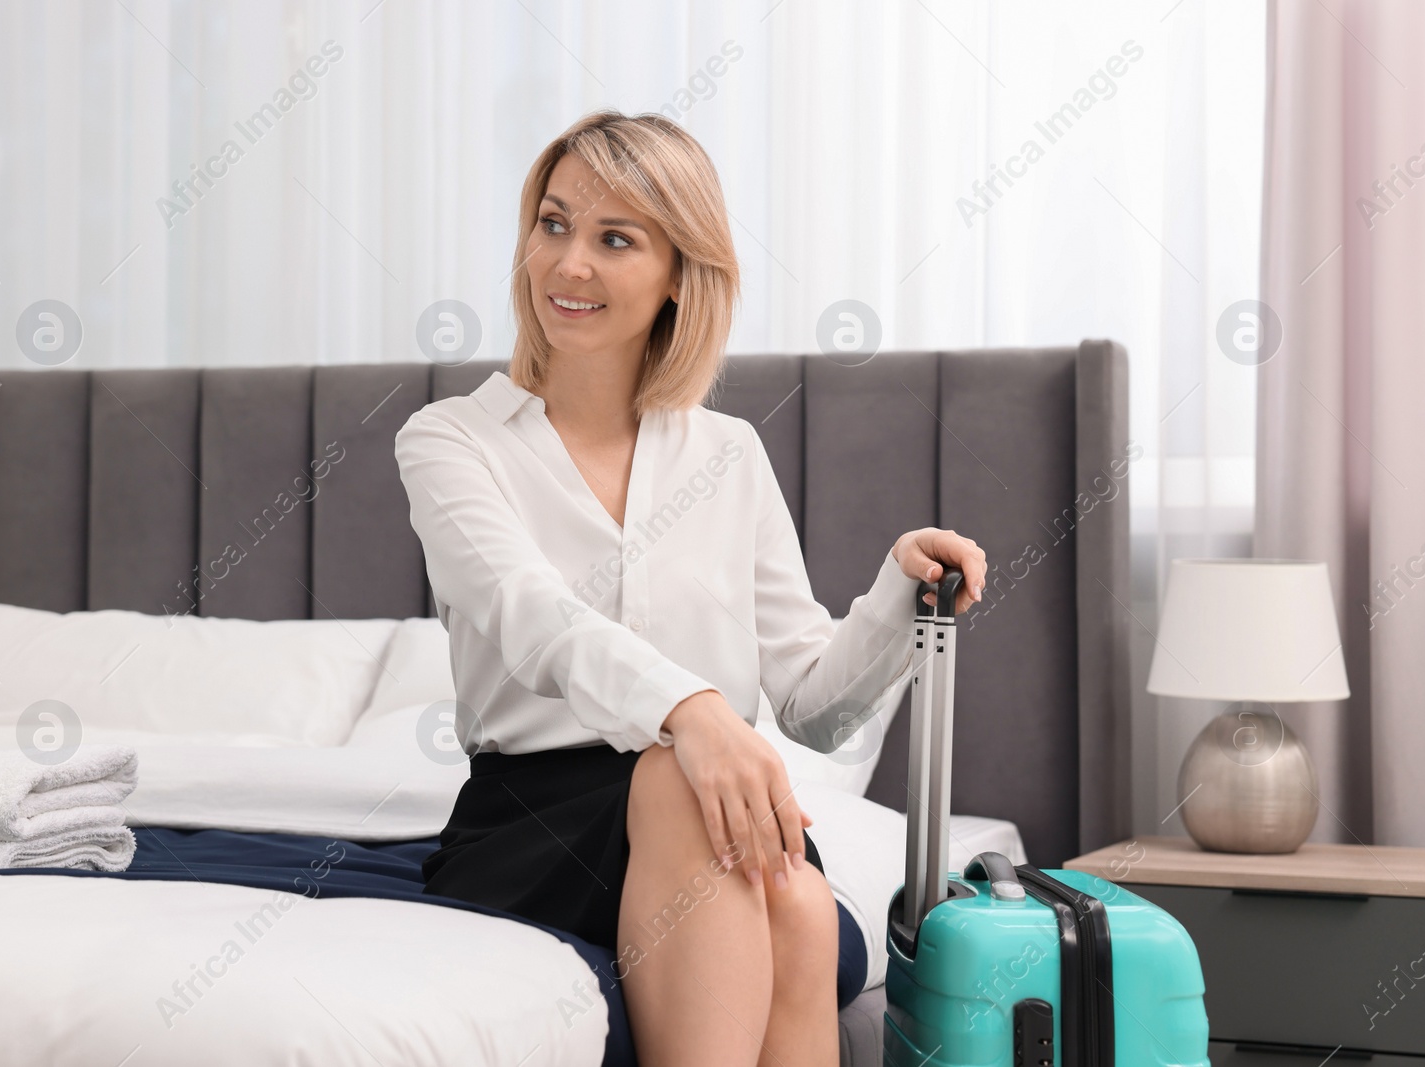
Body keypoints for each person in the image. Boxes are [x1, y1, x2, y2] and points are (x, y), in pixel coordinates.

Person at [396, 108, 986, 1067]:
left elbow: (813, 708)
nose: (567, 264)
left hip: (721, 806)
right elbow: (533, 618)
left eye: (613, 239)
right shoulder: (452, 441)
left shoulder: (730, 454)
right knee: (705, 797)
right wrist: (697, 713)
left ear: (679, 273)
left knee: (795, 902)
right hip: (538, 820)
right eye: (553, 225)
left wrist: (894, 597)